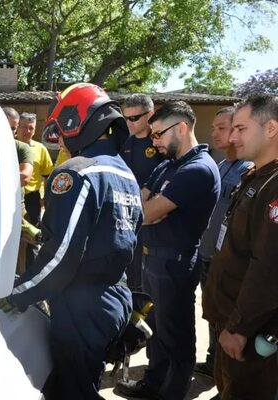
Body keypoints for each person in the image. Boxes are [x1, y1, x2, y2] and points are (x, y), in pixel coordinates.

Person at [4, 83, 142, 399]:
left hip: (83, 304)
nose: (62, 138)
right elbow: (111, 238)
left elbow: (62, 257)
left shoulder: (76, 173)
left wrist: (18, 295)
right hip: (114, 297)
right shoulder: (126, 174)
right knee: (81, 383)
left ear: (75, 121)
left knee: (72, 392)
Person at [117, 101, 221, 399]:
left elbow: (147, 213)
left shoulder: (198, 169)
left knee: (176, 339)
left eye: (159, 134)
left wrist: (152, 208)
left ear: (182, 128)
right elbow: (142, 202)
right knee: (157, 334)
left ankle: (171, 393)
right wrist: (150, 208)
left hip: (175, 265)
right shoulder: (168, 164)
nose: (155, 141)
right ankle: (152, 385)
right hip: (152, 259)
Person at [202, 93, 278, 400]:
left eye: (241, 129)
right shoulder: (255, 176)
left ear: (271, 128)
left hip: (249, 329)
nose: (233, 137)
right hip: (231, 320)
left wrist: (240, 328)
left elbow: (268, 266)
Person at [193, 107, 253, 379]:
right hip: (207, 254)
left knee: (228, 319)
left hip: (226, 260)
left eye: (224, 127)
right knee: (213, 314)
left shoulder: (248, 168)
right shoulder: (221, 164)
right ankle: (212, 362)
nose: (215, 133)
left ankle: (224, 377)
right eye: (214, 127)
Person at [121, 94, 164, 291]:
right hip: (127, 217)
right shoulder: (124, 143)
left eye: (134, 118)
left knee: (148, 279)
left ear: (150, 115)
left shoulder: (161, 144)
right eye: (126, 118)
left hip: (154, 218)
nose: (129, 123)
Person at [15, 111, 54, 266]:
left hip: (33, 198)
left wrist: (45, 198)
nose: (27, 131)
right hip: (13, 195)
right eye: (24, 127)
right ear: (17, 127)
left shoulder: (40, 149)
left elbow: (47, 175)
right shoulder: (9, 146)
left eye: (31, 128)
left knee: (33, 238)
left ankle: (31, 272)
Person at [2, 107, 34, 187]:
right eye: (5, 126)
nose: (9, 132)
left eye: (13, 128)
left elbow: (24, 178)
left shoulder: (22, 148)